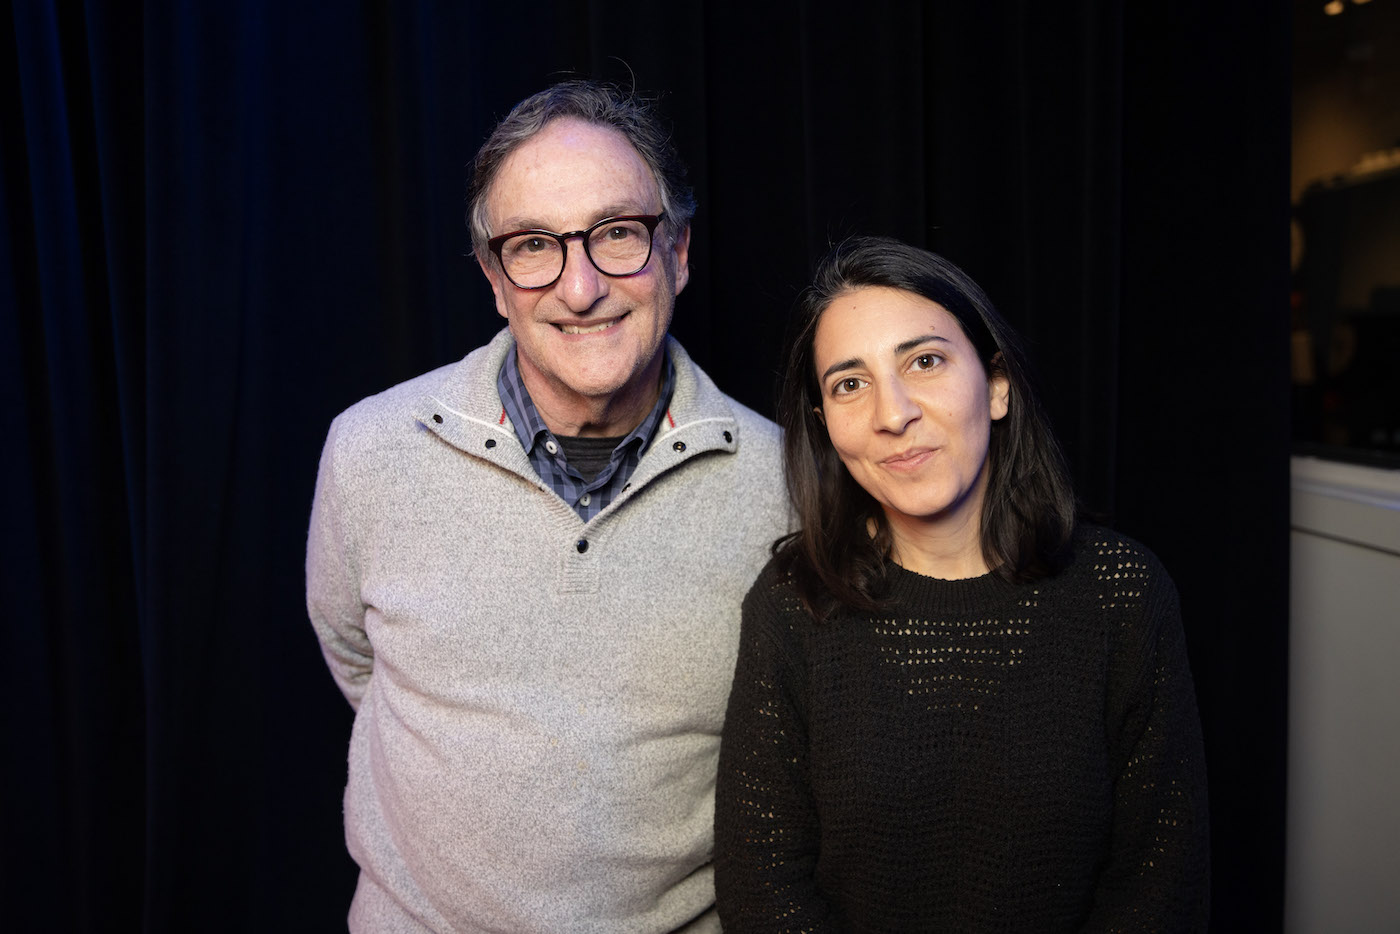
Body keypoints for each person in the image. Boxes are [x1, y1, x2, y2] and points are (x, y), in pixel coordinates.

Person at [306, 81, 789, 932]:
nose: (579, 287)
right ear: (496, 280)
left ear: (677, 254)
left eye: (616, 234)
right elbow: (356, 657)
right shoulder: (368, 452)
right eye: (533, 246)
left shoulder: (783, 485)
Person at [714, 236, 1210, 932]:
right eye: (849, 384)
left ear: (997, 384)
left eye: (925, 361)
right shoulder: (792, 603)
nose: (894, 414)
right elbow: (763, 891)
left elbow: (1161, 891)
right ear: (826, 426)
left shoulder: (1122, 596)